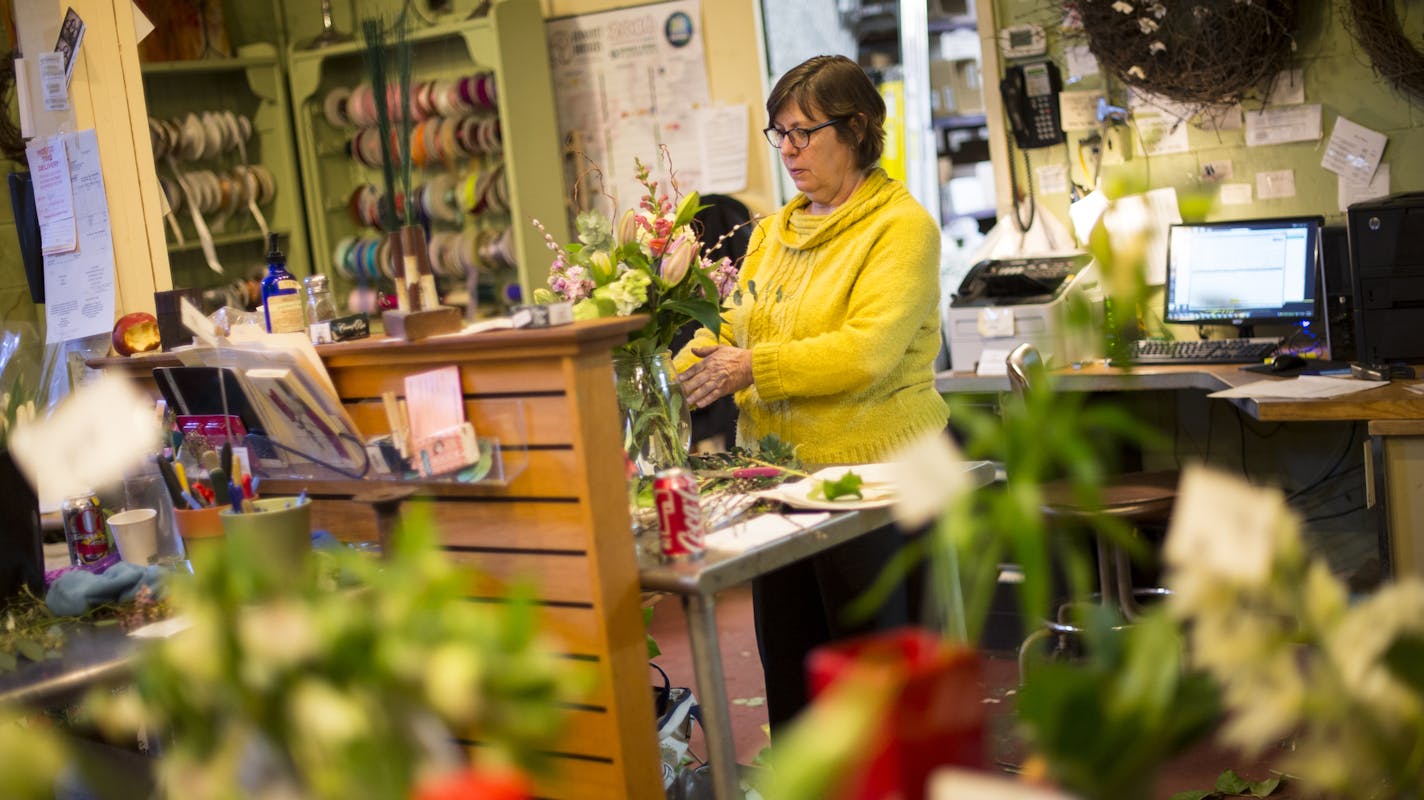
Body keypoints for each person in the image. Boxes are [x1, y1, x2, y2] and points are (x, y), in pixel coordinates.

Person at [674, 54, 948, 734]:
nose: (789, 150)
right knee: (793, 666)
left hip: (874, 483)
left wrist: (751, 368)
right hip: (779, 480)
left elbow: (867, 350)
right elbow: (735, 324)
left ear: (856, 128)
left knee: (873, 679)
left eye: (803, 131)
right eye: (779, 133)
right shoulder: (773, 232)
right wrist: (673, 375)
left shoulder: (901, 228)